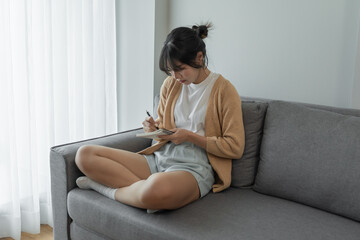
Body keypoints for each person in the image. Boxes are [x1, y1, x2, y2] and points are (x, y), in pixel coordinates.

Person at [75, 23, 245, 213]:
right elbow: (163, 133)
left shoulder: (224, 90)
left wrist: (189, 136)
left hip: (193, 168)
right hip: (160, 159)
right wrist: (153, 129)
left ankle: (102, 187)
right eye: (170, 71)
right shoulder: (171, 84)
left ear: (199, 57)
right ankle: (143, 196)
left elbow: (235, 147)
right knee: (84, 155)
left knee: (154, 189)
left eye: (180, 69)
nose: (175, 76)